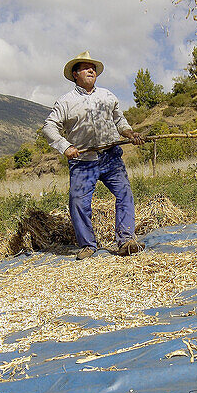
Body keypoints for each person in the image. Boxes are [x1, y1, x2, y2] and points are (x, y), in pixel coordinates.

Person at [42, 51, 144, 259]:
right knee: (78, 202)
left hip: (110, 157)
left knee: (124, 194)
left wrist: (129, 133)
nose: (91, 71)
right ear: (75, 74)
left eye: (94, 68)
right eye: (86, 68)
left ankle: (126, 240)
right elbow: (49, 127)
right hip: (82, 161)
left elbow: (119, 121)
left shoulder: (107, 96)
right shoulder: (65, 102)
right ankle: (88, 245)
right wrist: (65, 146)